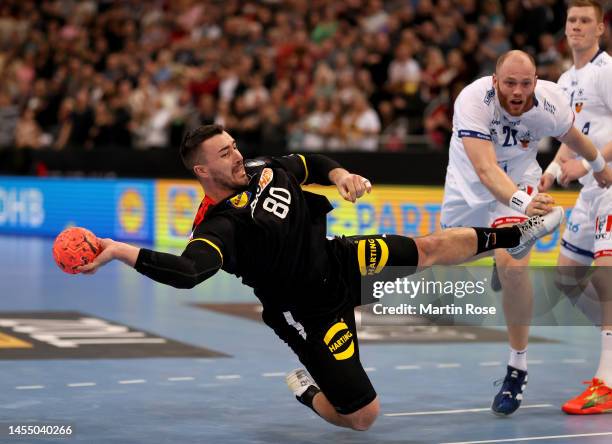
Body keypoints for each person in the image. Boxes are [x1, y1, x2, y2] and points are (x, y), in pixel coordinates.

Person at [80, 124, 563, 430]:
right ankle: (306, 387)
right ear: (203, 170)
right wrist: (121, 250)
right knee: (363, 417)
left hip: (339, 261)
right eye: (225, 154)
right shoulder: (217, 226)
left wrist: (341, 177)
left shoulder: (262, 169)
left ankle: (516, 235)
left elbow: (312, 164)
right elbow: (187, 273)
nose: (237, 156)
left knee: (429, 247)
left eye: (235, 146)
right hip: (307, 312)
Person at [440, 50, 612, 416]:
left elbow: (575, 139)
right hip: (470, 188)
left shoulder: (551, 101)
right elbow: (486, 172)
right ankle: (499, 252)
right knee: (448, 255)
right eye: (509, 83)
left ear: (535, 81)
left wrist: (597, 165)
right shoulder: (473, 99)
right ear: (495, 81)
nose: (518, 92)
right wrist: (523, 203)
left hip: (520, 182)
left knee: (514, 268)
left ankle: (516, 368)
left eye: (525, 83)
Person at [539, 0, 612, 415]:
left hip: (610, 183)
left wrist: (587, 163)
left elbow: (588, 151)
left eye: (587, 21)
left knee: (605, 279)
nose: (578, 27)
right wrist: (551, 171)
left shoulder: (607, 72)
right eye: (573, 21)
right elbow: (568, 134)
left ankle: (607, 381)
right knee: (567, 278)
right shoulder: (566, 80)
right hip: (588, 191)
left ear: (600, 28)